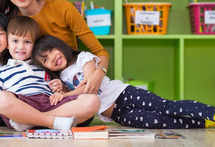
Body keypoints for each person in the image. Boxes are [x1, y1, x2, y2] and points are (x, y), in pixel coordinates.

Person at [32, 35, 215, 129]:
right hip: (115, 114)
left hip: (124, 95)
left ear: (60, 45)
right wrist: (60, 88)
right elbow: (76, 100)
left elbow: (88, 86)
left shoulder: (83, 58)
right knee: (159, 122)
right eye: (45, 60)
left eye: (51, 51)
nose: (52, 58)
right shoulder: (62, 77)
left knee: (167, 107)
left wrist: (64, 94)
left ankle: (211, 113)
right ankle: (203, 123)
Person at [0, 0, 109, 94]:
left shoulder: (62, 9)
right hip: (29, 94)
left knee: (89, 102)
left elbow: (100, 52)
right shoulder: (8, 21)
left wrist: (98, 74)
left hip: (70, 93)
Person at [0, 16, 100, 131]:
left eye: (27, 42)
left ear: (35, 45)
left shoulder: (44, 65)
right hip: (23, 104)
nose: (20, 47)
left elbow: (63, 91)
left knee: (93, 101)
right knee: (0, 99)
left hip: (51, 104)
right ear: (7, 44)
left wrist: (60, 87)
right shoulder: (1, 71)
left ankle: (31, 121)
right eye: (15, 41)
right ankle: (51, 122)